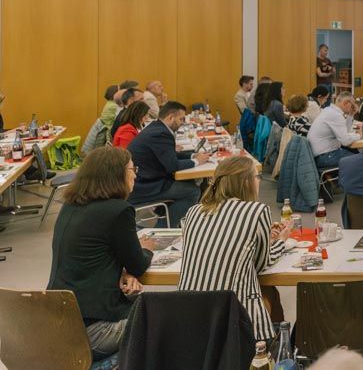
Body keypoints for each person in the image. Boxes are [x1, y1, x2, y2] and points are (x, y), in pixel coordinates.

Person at [48, 147, 156, 360]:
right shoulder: (118, 211)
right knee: (164, 319)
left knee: (147, 304)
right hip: (93, 331)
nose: (135, 173)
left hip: (59, 322)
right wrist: (146, 248)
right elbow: (138, 265)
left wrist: (122, 268)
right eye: (131, 169)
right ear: (115, 174)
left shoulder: (70, 205)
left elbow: (93, 254)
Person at [178, 155, 290, 342]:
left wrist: (258, 238)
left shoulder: (194, 211)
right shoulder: (257, 211)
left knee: (269, 294)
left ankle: (276, 344)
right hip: (230, 314)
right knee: (269, 291)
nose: (259, 181)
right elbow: (262, 264)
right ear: (246, 182)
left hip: (188, 316)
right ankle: (277, 347)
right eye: (257, 177)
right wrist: (281, 241)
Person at [128, 101, 208, 226]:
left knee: (189, 182)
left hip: (147, 179)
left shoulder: (157, 127)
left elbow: (169, 155)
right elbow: (172, 166)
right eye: (181, 119)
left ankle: (166, 214)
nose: (182, 123)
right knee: (193, 191)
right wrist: (197, 161)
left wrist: (193, 155)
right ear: (171, 117)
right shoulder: (160, 133)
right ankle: (164, 227)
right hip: (144, 186)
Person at [308, 92, 361, 170]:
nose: (353, 108)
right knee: (362, 160)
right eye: (352, 105)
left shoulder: (329, 110)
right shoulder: (335, 115)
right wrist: (360, 135)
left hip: (321, 154)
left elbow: (345, 132)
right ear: (346, 103)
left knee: (356, 154)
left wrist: (351, 115)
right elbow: (345, 141)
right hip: (325, 156)